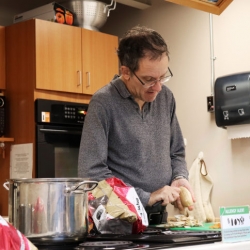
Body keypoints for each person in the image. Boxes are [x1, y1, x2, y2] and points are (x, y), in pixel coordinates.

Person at [78, 25, 195, 223]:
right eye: (149, 80)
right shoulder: (103, 103)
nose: (158, 87)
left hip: (160, 219)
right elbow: (92, 174)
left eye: (163, 77)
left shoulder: (166, 98)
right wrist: (146, 197)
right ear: (126, 72)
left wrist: (179, 177)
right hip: (120, 222)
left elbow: (176, 152)